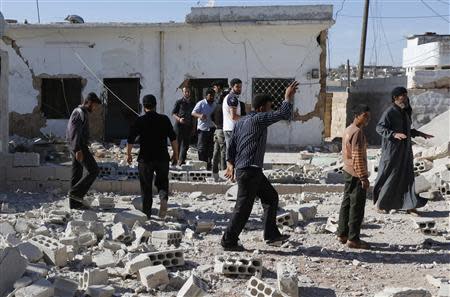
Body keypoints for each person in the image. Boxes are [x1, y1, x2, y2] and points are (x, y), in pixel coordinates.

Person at [221, 81, 299, 251]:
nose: (271, 110)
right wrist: (287, 97)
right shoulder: (259, 119)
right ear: (262, 108)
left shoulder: (241, 122)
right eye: (270, 107)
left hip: (248, 169)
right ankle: (228, 241)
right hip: (250, 170)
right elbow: (284, 113)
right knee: (243, 208)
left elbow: (231, 145)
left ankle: (271, 235)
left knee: (271, 198)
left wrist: (230, 163)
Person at [373, 87, 434, 215]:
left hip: (405, 151)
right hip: (392, 151)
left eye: (406, 95)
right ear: (395, 98)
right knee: (390, 176)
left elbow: (407, 131)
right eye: (402, 96)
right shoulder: (390, 112)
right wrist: (393, 134)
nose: (405, 98)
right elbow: (380, 127)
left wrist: (420, 133)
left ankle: (409, 204)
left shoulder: (404, 112)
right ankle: (380, 204)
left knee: (407, 177)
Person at [127, 94, 179, 219]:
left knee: (146, 187)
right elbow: (173, 138)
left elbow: (130, 139)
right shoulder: (164, 119)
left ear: (144, 107)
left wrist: (128, 154)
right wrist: (176, 154)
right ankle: (163, 198)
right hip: (162, 158)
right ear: (155, 106)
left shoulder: (140, 120)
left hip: (145, 159)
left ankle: (147, 213)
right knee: (162, 182)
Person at [337, 104, 371, 249]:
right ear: (357, 115)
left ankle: (342, 233)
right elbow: (357, 156)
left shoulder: (348, 130)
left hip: (347, 170)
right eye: (365, 115)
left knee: (346, 203)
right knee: (357, 206)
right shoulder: (357, 132)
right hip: (355, 173)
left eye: (368, 116)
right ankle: (353, 239)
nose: (367, 118)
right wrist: (363, 177)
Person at [66, 92, 102, 209]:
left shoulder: (83, 113)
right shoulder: (79, 112)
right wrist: (78, 149)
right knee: (94, 170)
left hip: (78, 146)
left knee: (77, 174)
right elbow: (74, 132)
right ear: (89, 102)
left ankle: (74, 203)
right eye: (95, 105)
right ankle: (75, 193)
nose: (95, 108)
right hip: (78, 147)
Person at [192, 89, 216, 170]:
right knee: (201, 148)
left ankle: (209, 165)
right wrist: (200, 115)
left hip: (212, 129)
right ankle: (202, 164)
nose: (212, 97)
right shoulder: (201, 103)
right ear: (206, 96)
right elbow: (193, 112)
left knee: (210, 149)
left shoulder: (215, 104)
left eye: (213, 96)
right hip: (202, 130)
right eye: (210, 95)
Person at [172, 87, 195, 165]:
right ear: (183, 92)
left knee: (186, 145)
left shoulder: (192, 103)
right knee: (177, 144)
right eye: (185, 92)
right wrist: (179, 119)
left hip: (188, 126)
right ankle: (174, 161)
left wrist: (193, 127)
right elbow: (173, 113)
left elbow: (193, 116)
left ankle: (181, 162)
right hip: (179, 126)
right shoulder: (179, 102)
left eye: (188, 91)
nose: (187, 93)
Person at [223, 78, 244, 156]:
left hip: (229, 128)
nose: (239, 89)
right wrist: (246, 118)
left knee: (231, 151)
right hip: (232, 129)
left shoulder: (230, 97)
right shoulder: (232, 98)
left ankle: (230, 168)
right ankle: (230, 168)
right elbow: (234, 116)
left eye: (240, 87)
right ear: (232, 87)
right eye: (237, 87)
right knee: (232, 152)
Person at [211, 81, 227, 179]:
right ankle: (223, 171)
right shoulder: (224, 108)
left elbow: (211, 117)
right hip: (222, 131)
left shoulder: (216, 106)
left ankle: (214, 172)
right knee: (223, 151)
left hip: (216, 130)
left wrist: (216, 125)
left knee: (216, 152)